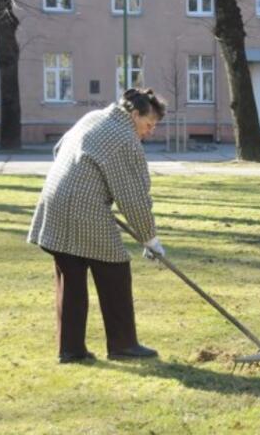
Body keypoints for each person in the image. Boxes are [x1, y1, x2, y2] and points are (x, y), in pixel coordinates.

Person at [28, 88, 167, 364]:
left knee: (72, 276)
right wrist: (150, 239)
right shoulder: (124, 138)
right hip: (83, 209)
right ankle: (123, 345)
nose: (150, 131)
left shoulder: (95, 117)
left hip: (54, 203)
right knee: (114, 270)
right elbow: (134, 197)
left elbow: (59, 149)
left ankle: (70, 350)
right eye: (149, 124)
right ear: (134, 114)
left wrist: (86, 183)